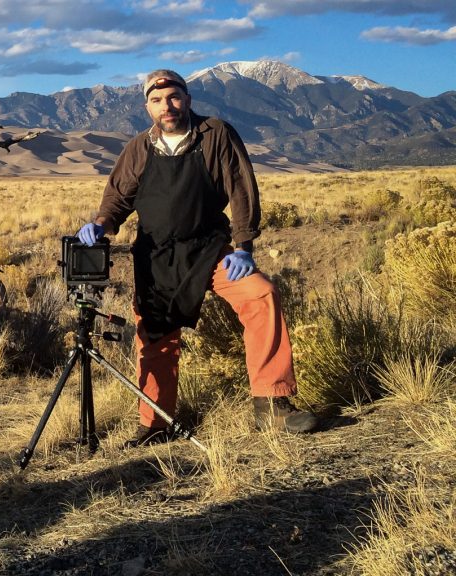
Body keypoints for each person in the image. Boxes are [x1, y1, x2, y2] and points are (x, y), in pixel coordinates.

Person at [76, 69, 318, 446]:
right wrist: (102, 224)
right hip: (157, 259)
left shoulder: (215, 134)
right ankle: (155, 425)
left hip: (211, 250)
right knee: (155, 339)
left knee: (261, 295)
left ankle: (271, 404)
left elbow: (241, 190)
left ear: (187, 99)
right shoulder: (139, 148)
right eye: (157, 101)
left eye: (173, 98)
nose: (166, 106)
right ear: (147, 107)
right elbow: (118, 199)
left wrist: (244, 247)